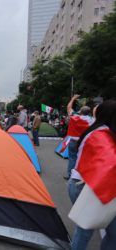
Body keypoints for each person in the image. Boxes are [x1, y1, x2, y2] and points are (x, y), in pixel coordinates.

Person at [68, 101, 116, 250]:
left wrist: (73, 100)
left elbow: (70, 110)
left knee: (112, 233)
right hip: (86, 185)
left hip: (98, 184)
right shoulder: (100, 133)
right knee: (85, 231)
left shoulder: (94, 127)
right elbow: (110, 162)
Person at [64, 94, 94, 180]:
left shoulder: (74, 117)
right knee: (84, 158)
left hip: (74, 141)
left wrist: (73, 98)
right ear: (89, 113)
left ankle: (70, 175)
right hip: (85, 142)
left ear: (80, 112)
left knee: (72, 158)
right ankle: (83, 175)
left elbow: (68, 107)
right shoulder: (92, 120)